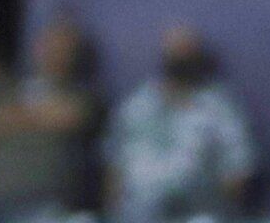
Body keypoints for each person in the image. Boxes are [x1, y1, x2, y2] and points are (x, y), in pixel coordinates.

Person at [105, 26, 256, 223]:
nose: (180, 57)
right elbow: (114, 167)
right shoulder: (137, 105)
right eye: (175, 51)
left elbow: (238, 170)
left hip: (199, 214)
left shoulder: (220, 108)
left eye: (187, 51)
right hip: (138, 214)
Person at [0, 19, 105, 221]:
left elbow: (69, 116)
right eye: (49, 44)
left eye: (63, 47)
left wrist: (10, 119)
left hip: (44, 203)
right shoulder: (5, 90)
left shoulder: (81, 95)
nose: (54, 52)